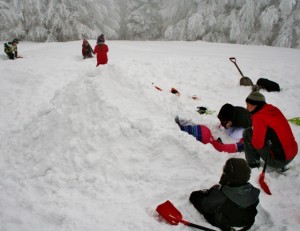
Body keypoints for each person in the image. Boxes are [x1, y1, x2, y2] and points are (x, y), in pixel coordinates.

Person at [190, 158, 260, 231]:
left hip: (228, 224)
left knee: (206, 209)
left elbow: (205, 205)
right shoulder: (252, 190)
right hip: (248, 223)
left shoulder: (221, 195)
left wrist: (209, 192)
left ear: (228, 176)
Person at [243, 91, 298, 170]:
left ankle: (253, 164)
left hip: (279, 160)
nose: (246, 108)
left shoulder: (258, 117)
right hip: (292, 153)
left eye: (248, 105)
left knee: (247, 132)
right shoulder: (273, 109)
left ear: (256, 105)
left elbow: (258, 144)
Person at [175, 116, 244, 153]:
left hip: (204, 135)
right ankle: (239, 146)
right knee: (219, 146)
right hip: (203, 131)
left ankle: (239, 146)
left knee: (220, 147)